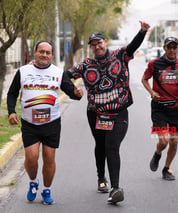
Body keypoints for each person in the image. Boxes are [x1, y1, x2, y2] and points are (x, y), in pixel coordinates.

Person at [66, 20, 150, 204]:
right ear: (91, 48)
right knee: (101, 145)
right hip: (95, 114)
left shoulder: (120, 56)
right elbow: (65, 75)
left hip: (119, 112)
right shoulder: (86, 65)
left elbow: (133, 46)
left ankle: (115, 188)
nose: (97, 47)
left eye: (99, 43)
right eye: (93, 45)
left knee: (112, 145)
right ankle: (101, 178)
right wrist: (72, 90)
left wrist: (142, 31)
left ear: (105, 42)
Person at [7, 41, 83, 205]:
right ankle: (33, 182)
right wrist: (11, 111)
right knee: (32, 158)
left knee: (49, 158)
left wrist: (78, 94)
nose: (44, 55)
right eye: (41, 51)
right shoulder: (23, 71)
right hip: (29, 123)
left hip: (52, 123)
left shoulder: (58, 72)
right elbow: (12, 93)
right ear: (35, 53)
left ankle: (47, 189)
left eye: (48, 53)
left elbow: (72, 92)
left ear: (51, 55)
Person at [141, 36, 178, 181]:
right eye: (170, 47)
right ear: (164, 48)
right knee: (164, 141)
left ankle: (166, 168)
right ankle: (157, 153)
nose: (172, 50)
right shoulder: (154, 64)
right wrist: (152, 92)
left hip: (175, 109)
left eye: (175, 47)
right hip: (159, 109)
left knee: (174, 141)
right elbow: (144, 79)